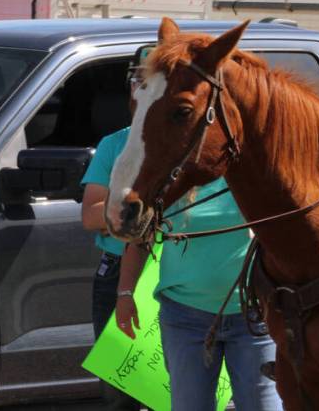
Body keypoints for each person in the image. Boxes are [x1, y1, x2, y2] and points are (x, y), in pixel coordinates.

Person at [114, 180, 282, 411]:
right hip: (185, 318)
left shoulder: (251, 172)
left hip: (253, 317)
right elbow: (138, 242)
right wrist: (125, 293)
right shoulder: (169, 181)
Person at [79, 63, 142, 411]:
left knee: (184, 388)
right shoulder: (113, 144)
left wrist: (115, 213)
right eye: (137, 83)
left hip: (180, 272)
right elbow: (90, 216)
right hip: (118, 270)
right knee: (119, 393)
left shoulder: (198, 145)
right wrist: (135, 209)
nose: (143, 91)